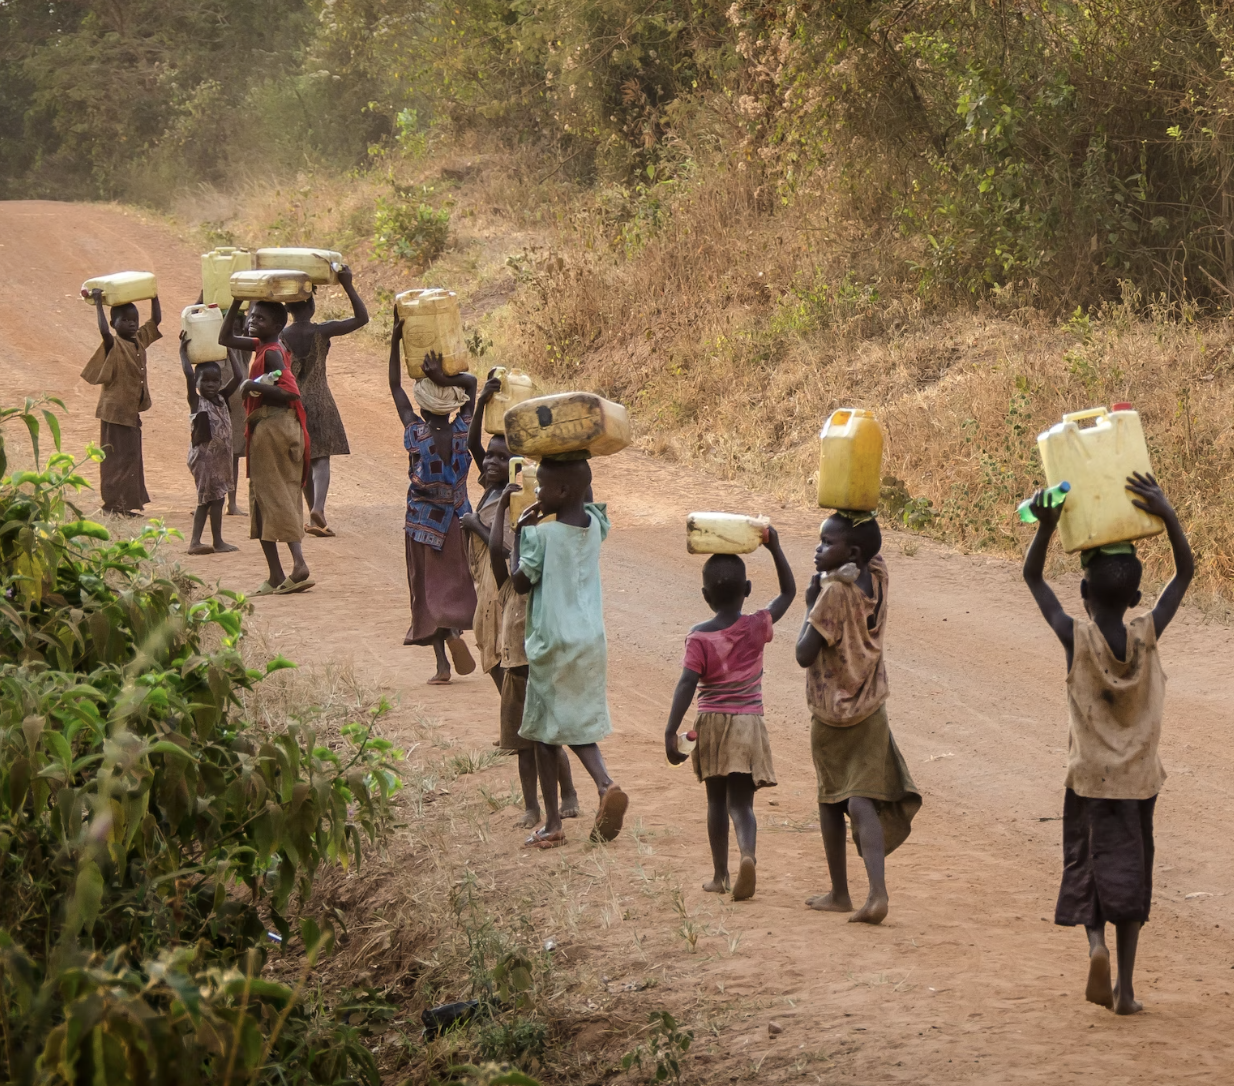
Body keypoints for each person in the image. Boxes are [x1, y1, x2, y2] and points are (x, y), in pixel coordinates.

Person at [1022, 472, 1193, 1015]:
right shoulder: (1147, 633)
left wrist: (1046, 527)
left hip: (1089, 778)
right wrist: (1165, 513)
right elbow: (1185, 573)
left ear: (1084, 593)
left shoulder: (1076, 638)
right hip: (1139, 783)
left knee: (1088, 864)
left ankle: (1092, 944)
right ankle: (1125, 989)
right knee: (1132, 875)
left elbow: (1033, 579)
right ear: (1137, 596)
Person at [795, 511, 921, 925]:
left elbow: (803, 654)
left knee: (832, 800)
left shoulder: (833, 597)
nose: (818, 548)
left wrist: (810, 603)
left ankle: (840, 892)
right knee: (861, 799)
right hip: (872, 708)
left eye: (826, 542)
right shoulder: (878, 577)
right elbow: (874, 552)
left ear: (850, 552)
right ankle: (878, 892)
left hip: (832, 714)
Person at [664, 529, 795, 901]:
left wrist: (671, 730)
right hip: (749, 723)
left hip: (713, 724)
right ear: (748, 589)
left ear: (705, 596)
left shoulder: (699, 636)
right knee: (742, 804)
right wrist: (776, 549)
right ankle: (748, 855)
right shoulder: (757, 626)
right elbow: (788, 593)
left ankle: (721, 875)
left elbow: (686, 684)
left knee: (715, 802)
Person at [507, 454, 627, 849]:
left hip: (552, 641)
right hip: (590, 637)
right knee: (567, 719)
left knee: (546, 733)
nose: (536, 491)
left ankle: (557, 820)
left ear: (560, 491)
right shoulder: (595, 527)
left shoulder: (541, 536)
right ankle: (601, 786)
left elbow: (520, 583)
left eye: (540, 485)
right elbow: (586, 496)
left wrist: (520, 531)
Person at [489, 458, 581, 831]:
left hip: (542, 664)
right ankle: (532, 807)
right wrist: (502, 508)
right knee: (521, 745)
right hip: (515, 666)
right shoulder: (510, 583)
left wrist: (528, 529)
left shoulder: (539, 576)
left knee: (549, 741)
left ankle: (569, 794)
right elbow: (497, 548)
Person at [388, 314, 478, 683]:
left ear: (422, 406)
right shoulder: (463, 431)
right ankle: (455, 629)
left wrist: (394, 340)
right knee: (455, 584)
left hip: (423, 523)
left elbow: (395, 386)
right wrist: (445, 377)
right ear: (453, 405)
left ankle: (442, 663)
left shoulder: (416, 433)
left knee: (426, 589)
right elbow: (473, 384)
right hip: (458, 519)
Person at [219, 298, 313, 596]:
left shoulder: (272, 352)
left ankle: (298, 565)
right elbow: (224, 339)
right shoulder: (265, 345)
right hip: (275, 428)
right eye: (251, 316)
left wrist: (253, 386)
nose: (252, 321)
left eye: (259, 318)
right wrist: (235, 302)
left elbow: (291, 392)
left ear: (277, 325)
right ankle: (276, 574)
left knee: (273, 496)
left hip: (273, 428)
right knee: (269, 496)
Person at [281, 266, 369, 536]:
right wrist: (348, 285)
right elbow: (361, 318)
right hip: (321, 399)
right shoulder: (322, 331)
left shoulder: (282, 335)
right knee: (322, 459)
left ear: (289, 309)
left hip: (293, 401)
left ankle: (314, 516)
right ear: (312, 306)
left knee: (305, 459)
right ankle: (318, 508)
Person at [81, 289, 161, 516]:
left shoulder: (139, 340)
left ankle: (124, 506)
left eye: (133, 320)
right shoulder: (113, 343)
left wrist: (153, 296)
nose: (131, 324)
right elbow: (103, 332)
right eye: (124, 321)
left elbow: (156, 320)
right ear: (113, 323)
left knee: (130, 457)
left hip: (130, 412)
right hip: (114, 413)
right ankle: (111, 506)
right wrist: (98, 302)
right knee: (115, 459)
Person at [176, 332, 245, 555]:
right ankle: (195, 542)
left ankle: (217, 541)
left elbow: (238, 377)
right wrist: (183, 353)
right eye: (205, 381)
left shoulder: (222, 398)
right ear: (197, 383)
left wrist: (231, 352)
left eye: (215, 381)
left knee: (218, 499)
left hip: (221, 459)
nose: (211, 385)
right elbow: (188, 375)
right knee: (204, 500)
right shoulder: (197, 401)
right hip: (204, 459)